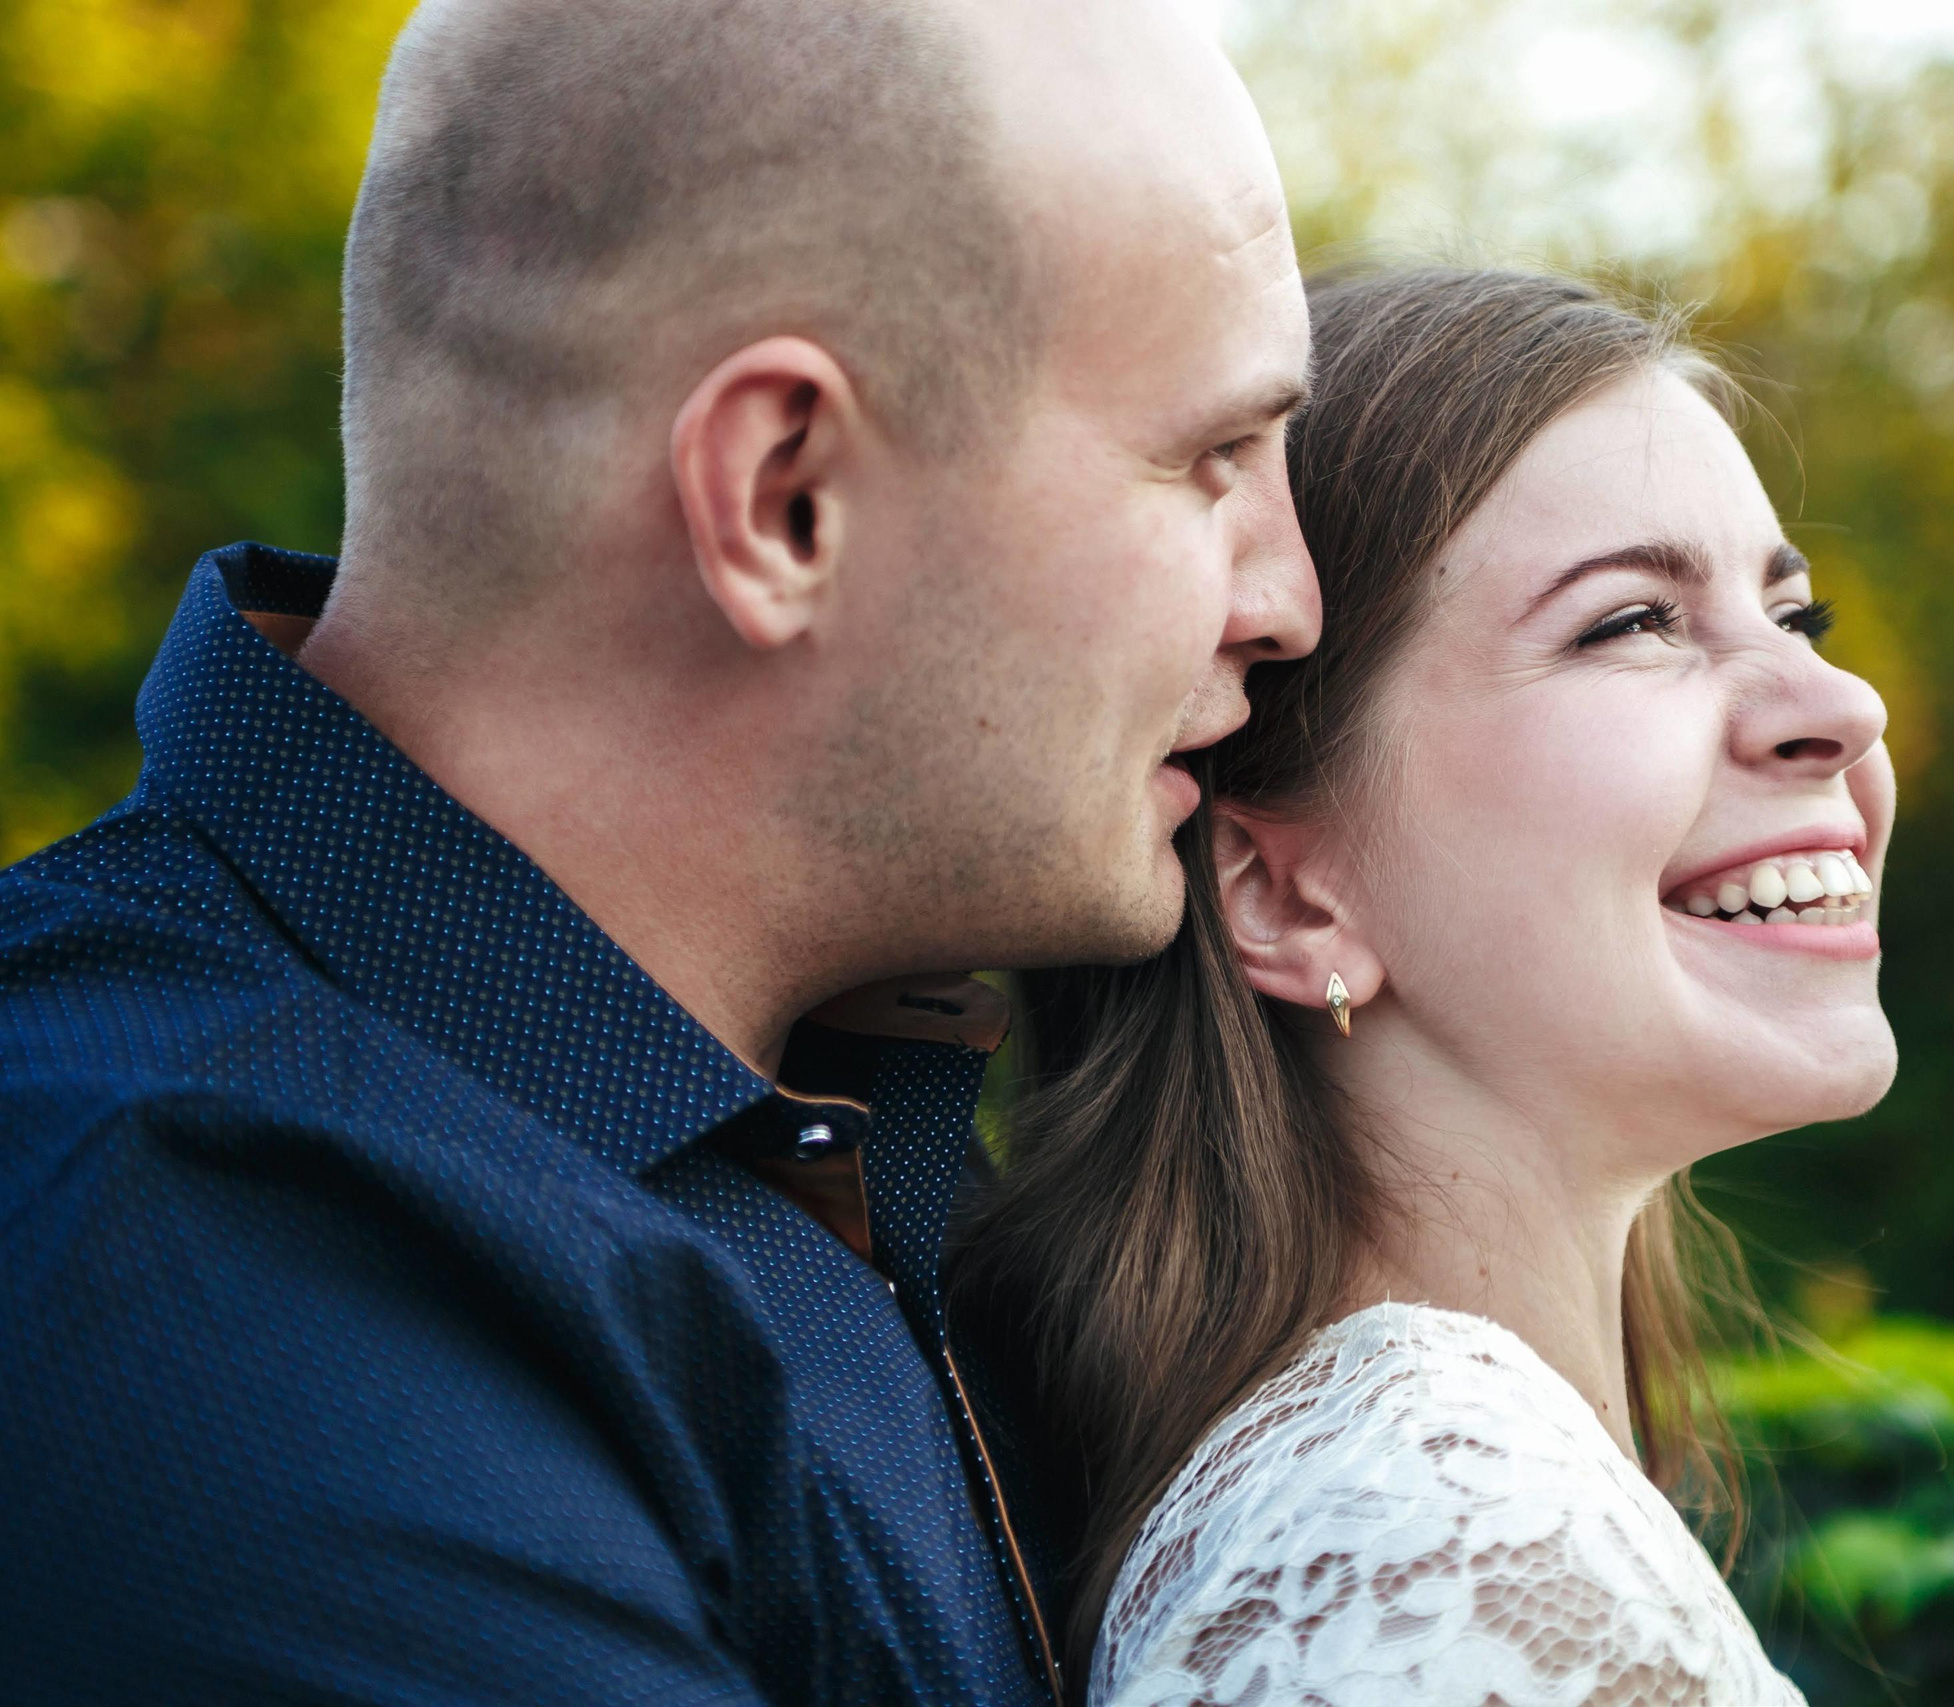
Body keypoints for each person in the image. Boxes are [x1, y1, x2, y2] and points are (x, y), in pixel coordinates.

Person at [0, 0, 1318, 1701]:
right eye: (1212, 457)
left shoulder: (833, 1129)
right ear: (785, 501)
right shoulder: (196, 1287)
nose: (1287, 602)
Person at [958, 267, 1898, 1703]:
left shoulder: (1380, 1512)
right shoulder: (1453, 1555)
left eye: (1799, 617)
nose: (1841, 705)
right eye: (1631, 622)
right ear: (1285, 895)